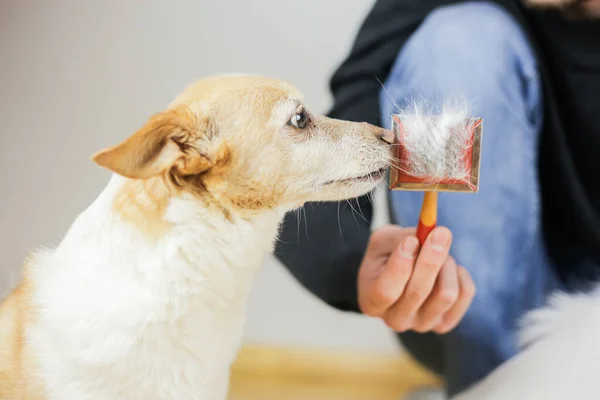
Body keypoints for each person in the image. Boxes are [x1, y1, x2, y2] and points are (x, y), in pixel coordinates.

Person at [274, 0, 600, 397]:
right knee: (459, 42)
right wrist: (356, 266)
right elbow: (314, 158)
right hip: (468, 319)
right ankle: (484, 384)